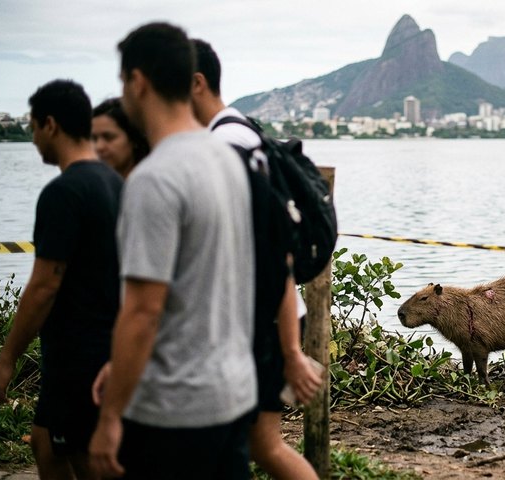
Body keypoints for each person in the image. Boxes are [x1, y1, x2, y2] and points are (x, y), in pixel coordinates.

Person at [88, 22, 257, 480]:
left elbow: (143, 310)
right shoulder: (227, 158)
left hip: (173, 410)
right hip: (233, 393)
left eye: (123, 81)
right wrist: (120, 366)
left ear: (137, 81)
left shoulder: (155, 178)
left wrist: (109, 418)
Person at [190, 38, 323, 480]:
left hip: (262, 318)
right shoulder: (237, 132)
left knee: (251, 446)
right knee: (259, 445)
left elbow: (271, 253)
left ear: (196, 84)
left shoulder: (229, 145)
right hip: (264, 315)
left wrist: (291, 353)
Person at [0, 79, 123, 480]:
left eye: (32, 128)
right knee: (49, 443)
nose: (32, 139)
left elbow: (44, 285)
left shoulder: (64, 193)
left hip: (80, 355)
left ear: (50, 124)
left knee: (77, 455)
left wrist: (6, 360)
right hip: (105, 345)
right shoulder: (114, 182)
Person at [91, 97, 149, 178]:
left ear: (133, 139)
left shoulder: (153, 178)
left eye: (108, 137)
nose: (99, 147)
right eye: (94, 139)